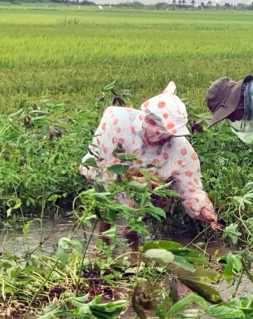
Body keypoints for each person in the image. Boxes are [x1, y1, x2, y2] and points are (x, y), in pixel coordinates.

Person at [80, 82, 218, 224]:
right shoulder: (118, 123)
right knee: (107, 207)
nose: (167, 138)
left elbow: (190, 187)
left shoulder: (180, 148)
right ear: (149, 122)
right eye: (164, 133)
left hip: (149, 191)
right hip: (113, 174)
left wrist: (204, 211)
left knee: (143, 213)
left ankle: (135, 228)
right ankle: (106, 239)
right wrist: (134, 179)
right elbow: (104, 166)